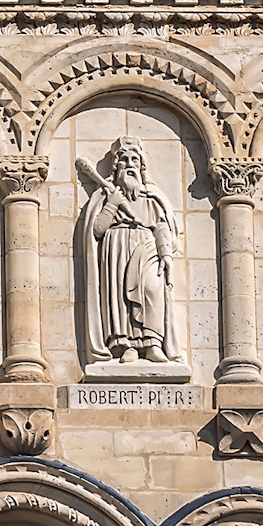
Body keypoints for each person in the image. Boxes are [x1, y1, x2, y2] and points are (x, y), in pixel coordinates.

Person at [78, 136, 180, 364]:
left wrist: (165, 255)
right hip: (117, 247)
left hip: (147, 246)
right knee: (121, 295)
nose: (130, 164)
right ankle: (127, 346)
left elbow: (162, 224)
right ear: (117, 166)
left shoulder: (151, 196)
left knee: (152, 290)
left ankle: (153, 343)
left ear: (142, 166)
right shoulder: (105, 195)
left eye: (135, 159)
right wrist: (113, 203)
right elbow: (97, 229)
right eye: (124, 160)